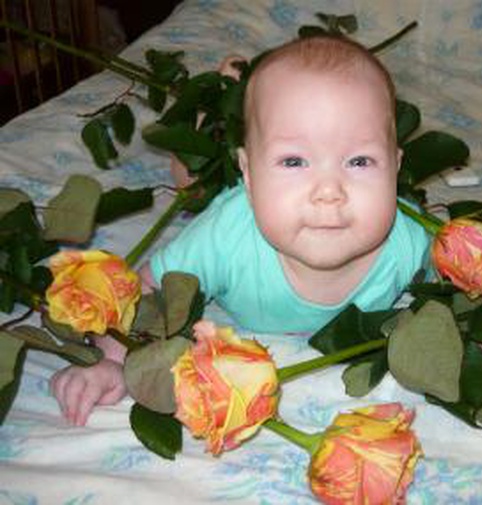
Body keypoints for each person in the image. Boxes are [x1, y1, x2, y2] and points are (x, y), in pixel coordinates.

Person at [50, 35, 431, 426]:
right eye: (294, 161)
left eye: (360, 161)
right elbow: (142, 290)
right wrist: (112, 361)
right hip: (229, 202)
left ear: (395, 167)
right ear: (247, 173)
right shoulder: (225, 237)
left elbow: (456, 283)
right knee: (190, 179)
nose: (329, 192)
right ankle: (213, 108)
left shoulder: (408, 241)